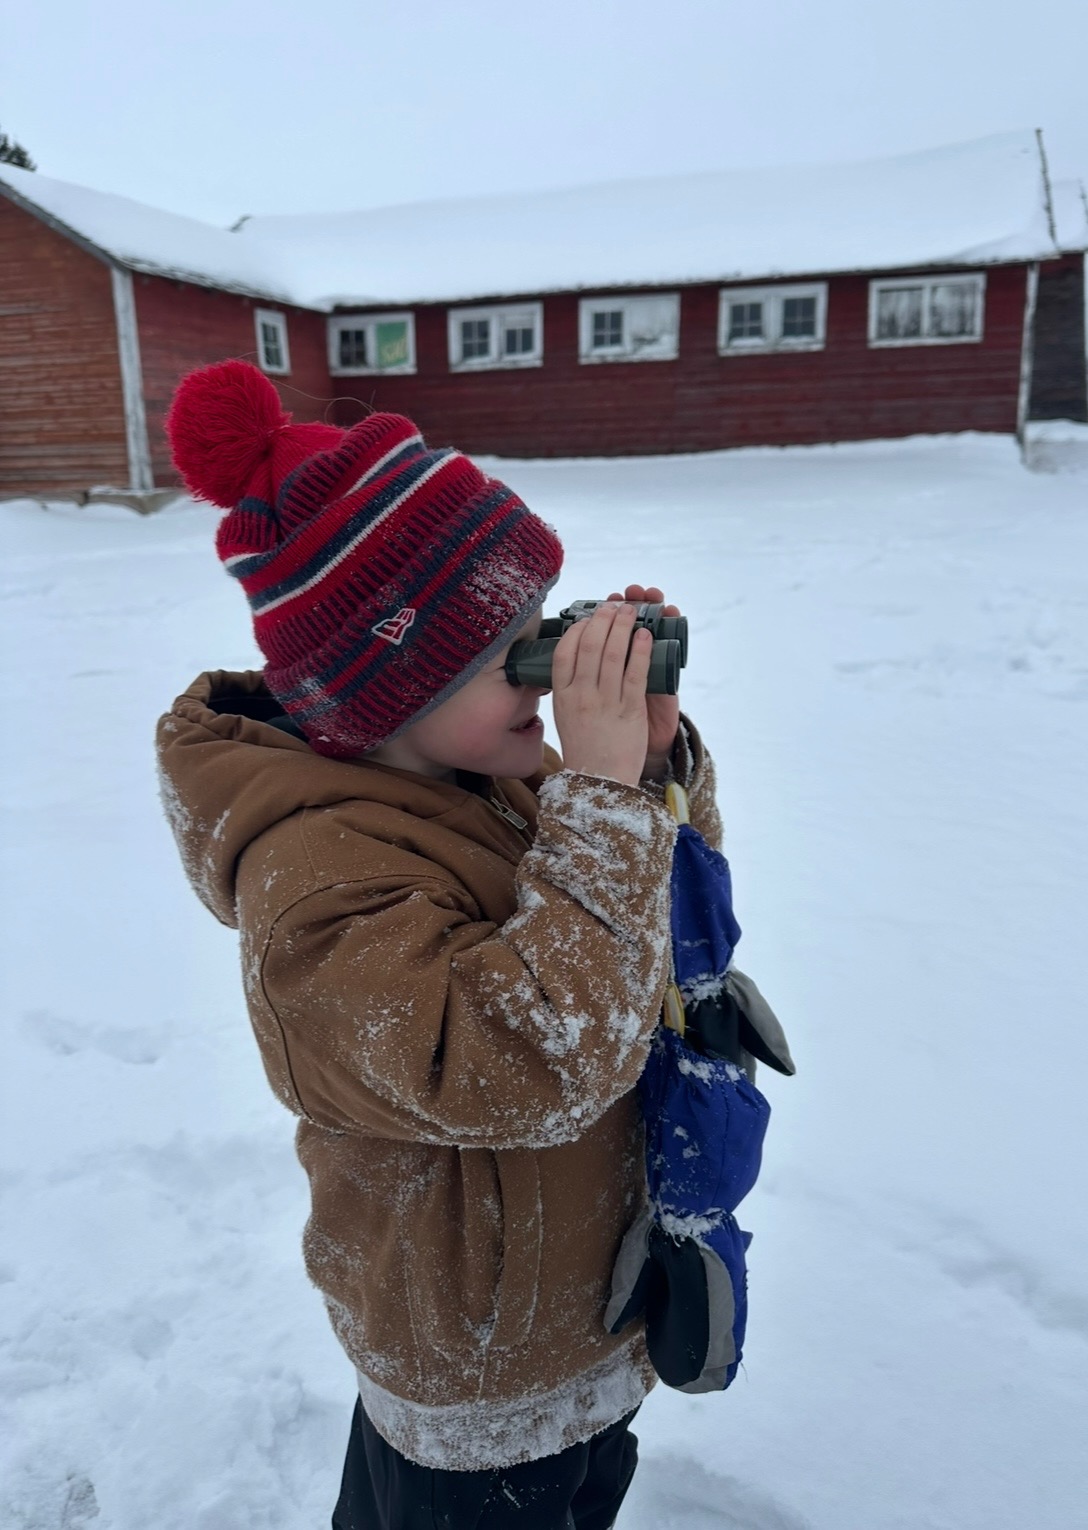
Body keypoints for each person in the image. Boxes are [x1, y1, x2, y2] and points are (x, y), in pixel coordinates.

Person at [155, 360, 725, 1529]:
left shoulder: (498, 778)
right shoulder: (318, 882)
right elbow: (530, 1062)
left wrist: (647, 770)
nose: (546, 664)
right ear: (388, 684)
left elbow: (657, 941)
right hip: (478, 1382)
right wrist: (600, 803)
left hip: (586, 1310)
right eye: (510, 646)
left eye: (544, 623)